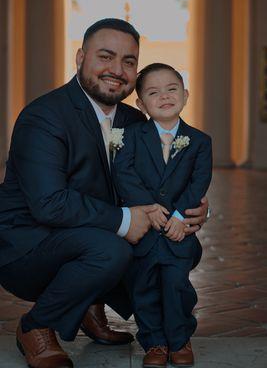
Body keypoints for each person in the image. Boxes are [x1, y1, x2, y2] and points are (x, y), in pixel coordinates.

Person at [0, 19, 209, 368]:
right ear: (80, 57)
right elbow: (49, 204)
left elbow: (166, 179)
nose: (117, 70)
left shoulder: (135, 120)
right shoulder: (44, 116)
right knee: (111, 250)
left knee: (180, 247)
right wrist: (127, 218)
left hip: (85, 234)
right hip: (26, 246)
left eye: (129, 61)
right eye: (106, 56)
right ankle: (37, 325)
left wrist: (193, 211)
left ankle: (89, 304)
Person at [114, 63, 212, 368]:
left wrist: (181, 217)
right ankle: (154, 341)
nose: (165, 96)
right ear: (141, 104)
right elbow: (124, 175)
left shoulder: (199, 141)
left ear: (185, 94)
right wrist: (147, 207)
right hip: (144, 229)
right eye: (154, 93)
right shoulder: (130, 136)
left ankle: (179, 338)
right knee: (143, 287)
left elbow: (199, 181)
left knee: (176, 285)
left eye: (172, 89)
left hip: (178, 231)